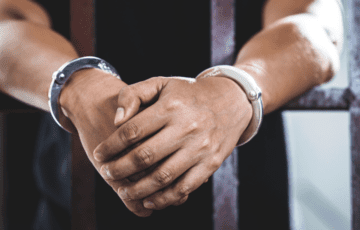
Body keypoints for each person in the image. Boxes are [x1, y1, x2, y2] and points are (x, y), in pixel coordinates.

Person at [0, 0, 343, 229]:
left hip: (241, 201)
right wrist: (77, 85)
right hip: (76, 200)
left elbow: (315, 24)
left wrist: (236, 90)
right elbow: (6, 21)